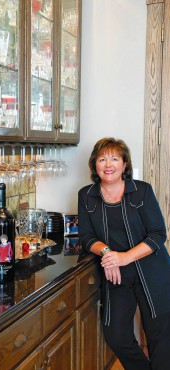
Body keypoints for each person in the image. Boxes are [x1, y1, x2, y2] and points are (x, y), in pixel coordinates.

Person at [78, 137, 170, 370]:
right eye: (102, 159)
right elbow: (87, 237)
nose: (108, 165)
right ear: (94, 165)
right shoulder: (86, 195)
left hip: (152, 271)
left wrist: (124, 257)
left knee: (161, 339)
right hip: (116, 274)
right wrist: (108, 255)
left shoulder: (142, 191)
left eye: (114, 159)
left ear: (125, 164)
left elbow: (158, 234)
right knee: (116, 334)